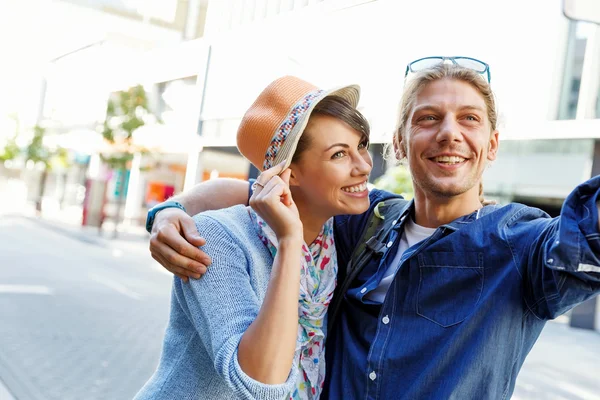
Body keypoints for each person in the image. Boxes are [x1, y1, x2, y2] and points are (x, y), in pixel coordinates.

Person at [146, 59, 600, 399]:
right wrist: (166, 212)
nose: (449, 133)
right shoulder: (364, 220)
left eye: (470, 119)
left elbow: (587, 239)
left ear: (492, 145)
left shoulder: (521, 243)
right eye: (428, 118)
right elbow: (251, 191)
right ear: (400, 142)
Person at [136, 75, 373, 400]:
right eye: (339, 155)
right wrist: (289, 242)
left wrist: (169, 208)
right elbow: (260, 383)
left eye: (361, 145)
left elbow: (240, 191)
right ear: (289, 174)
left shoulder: (334, 231)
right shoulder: (216, 238)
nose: (364, 166)